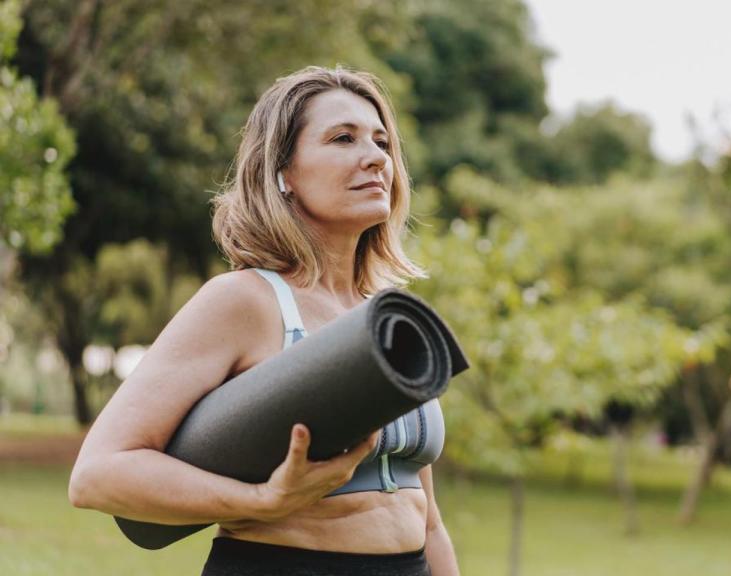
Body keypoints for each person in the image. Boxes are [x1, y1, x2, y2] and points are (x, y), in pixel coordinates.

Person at [68, 65, 459, 576]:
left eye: (382, 142)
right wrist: (258, 499)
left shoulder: (386, 315)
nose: (376, 158)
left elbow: (428, 520)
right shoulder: (245, 302)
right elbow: (97, 474)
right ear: (283, 173)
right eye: (343, 138)